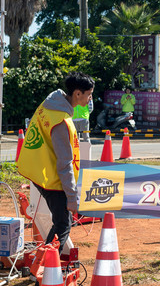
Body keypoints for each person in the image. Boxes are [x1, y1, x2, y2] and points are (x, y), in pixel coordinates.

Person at [17, 72, 94, 254]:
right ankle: (45, 267)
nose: (90, 99)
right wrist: (71, 196)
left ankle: (45, 262)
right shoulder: (61, 121)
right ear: (77, 93)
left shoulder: (50, 104)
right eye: (88, 94)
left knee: (61, 221)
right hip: (49, 175)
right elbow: (64, 162)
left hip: (37, 168)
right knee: (63, 223)